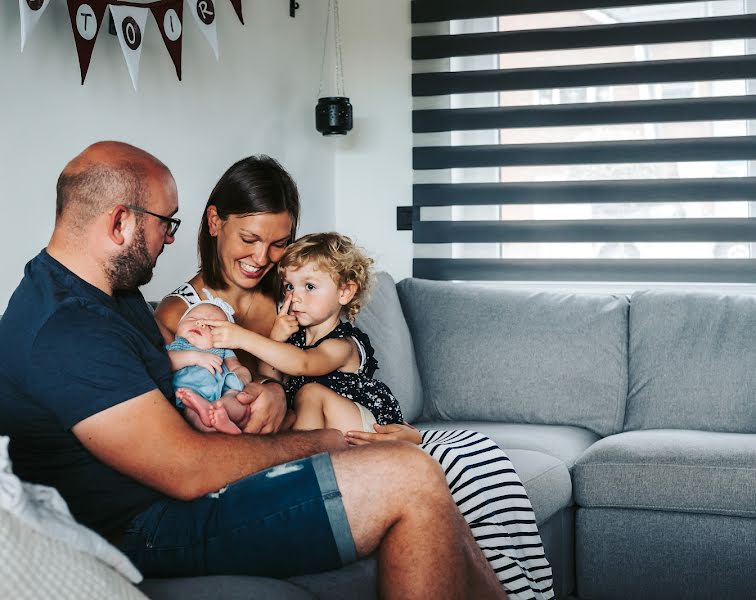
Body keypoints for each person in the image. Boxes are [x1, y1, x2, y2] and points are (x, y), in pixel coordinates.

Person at [0, 142, 505, 599]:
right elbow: (187, 470)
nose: (170, 239)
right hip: (149, 529)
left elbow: (187, 387)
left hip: (178, 497)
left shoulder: (109, 296)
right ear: (120, 222)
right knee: (408, 476)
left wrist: (251, 391)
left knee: (420, 473)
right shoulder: (67, 329)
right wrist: (326, 441)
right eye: (165, 223)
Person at [156, 156, 552, 600]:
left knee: (477, 464)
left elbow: (302, 369)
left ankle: (524, 589)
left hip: (343, 425)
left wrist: (272, 389)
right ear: (214, 222)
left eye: (277, 246)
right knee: (440, 475)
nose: (260, 259)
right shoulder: (184, 313)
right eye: (249, 239)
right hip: (286, 446)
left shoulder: (290, 291)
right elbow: (183, 394)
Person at [204, 232, 404, 434]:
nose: (295, 297)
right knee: (280, 408)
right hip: (324, 426)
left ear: (344, 292)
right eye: (289, 286)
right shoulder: (296, 338)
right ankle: (228, 423)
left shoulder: (344, 344)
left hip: (367, 425)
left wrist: (242, 337)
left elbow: (303, 363)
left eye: (309, 286)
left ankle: (298, 456)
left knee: (310, 394)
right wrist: (276, 337)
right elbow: (270, 379)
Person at [166, 297, 252, 434]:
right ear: (178, 326)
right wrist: (194, 357)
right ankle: (212, 423)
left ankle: (222, 417)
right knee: (191, 412)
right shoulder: (176, 347)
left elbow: (236, 367)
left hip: (223, 389)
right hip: (191, 393)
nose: (200, 324)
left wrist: (242, 377)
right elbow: (165, 363)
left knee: (238, 402)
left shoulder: (223, 350)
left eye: (212, 326)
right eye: (193, 318)